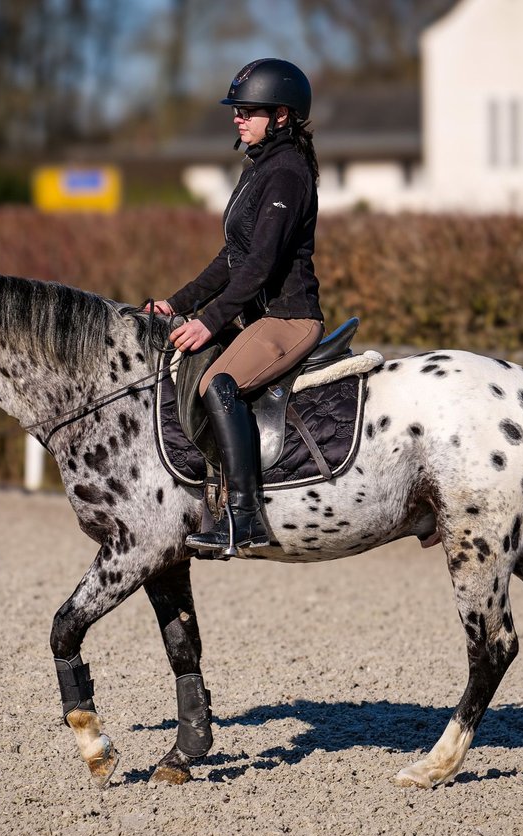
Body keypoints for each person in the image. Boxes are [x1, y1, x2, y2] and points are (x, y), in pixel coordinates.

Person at [151, 58, 324, 556]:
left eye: (249, 110)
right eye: (237, 110)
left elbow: (262, 266)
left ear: (282, 116)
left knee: (217, 383)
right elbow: (232, 259)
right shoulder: (260, 168)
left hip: (291, 317)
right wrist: (175, 304)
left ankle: (244, 518)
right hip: (263, 316)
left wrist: (209, 321)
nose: (238, 118)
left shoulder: (287, 172)